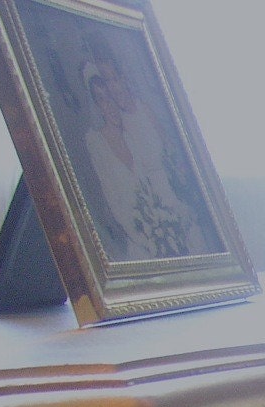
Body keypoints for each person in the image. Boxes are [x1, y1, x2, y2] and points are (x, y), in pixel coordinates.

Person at [81, 61, 207, 260]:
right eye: (101, 100)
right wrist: (144, 236)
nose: (109, 106)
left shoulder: (131, 136)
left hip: (160, 224)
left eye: (111, 98)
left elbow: (155, 182)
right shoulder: (95, 141)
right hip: (137, 235)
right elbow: (112, 197)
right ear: (96, 105)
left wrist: (162, 225)